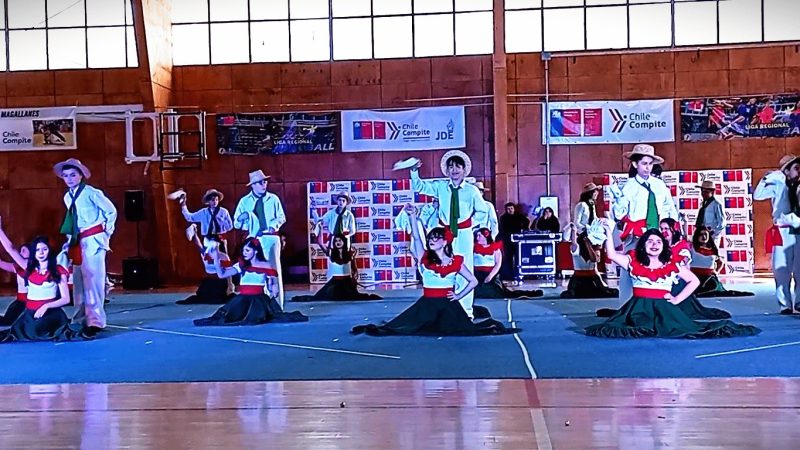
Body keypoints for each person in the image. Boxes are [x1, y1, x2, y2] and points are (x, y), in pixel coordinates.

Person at [351, 205, 519, 336]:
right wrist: (412, 217)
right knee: (396, 328)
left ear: (445, 242)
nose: (432, 241)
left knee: (465, 330)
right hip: (426, 305)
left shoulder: (455, 262)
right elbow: (416, 237)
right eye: (431, 238)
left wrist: (459, 296)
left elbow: (473, 281)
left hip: (448, 306)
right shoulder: (424, 257)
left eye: (436, 238)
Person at [585, 222, 760, 339]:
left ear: (663, 246)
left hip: (664, 307)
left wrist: (677, 299)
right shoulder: (633, 261)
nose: (654, 244)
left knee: (686, 330)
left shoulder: (671, 264)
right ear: (643, 245)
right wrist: (608, 232)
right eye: (650, 242)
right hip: (638, 307)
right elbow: (612, 255)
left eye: (658, 242)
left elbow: (694, 281)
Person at [407, 150, 490, 319]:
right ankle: (445, 308)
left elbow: (482, 211)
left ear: (464, 169)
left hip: (464, 233)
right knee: (445, 266)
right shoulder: (440, 187)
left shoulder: (471, 191)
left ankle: (466, 311)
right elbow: (420, 187)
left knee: (464, 268)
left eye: (458, 167)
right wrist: (414, 171)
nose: (454, 170)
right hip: (444, 233)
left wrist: (470, 224)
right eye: (450, 167)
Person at [54, 158, 117, 338]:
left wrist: (106, 234)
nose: (69, 179)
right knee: (79, 281)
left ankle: (95, 321)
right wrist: (68, 241)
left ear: (81, 176)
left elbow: (111, 211)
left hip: (94, 239)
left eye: (73, 175)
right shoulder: (67, 196)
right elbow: (73, 221)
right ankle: (79, 318)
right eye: (66, 176)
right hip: (77, 240)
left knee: (94, 281)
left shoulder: (91, 193)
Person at [608, 144, 679, 303]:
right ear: (635, 164)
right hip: (636, 236)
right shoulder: (628, 186)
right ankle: (626, 307)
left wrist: (672, 229)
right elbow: (619, 214)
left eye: (650, 164)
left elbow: (669, 208)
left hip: (657, 236)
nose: (648, 168)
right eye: (644, 164)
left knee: (661, 271)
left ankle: (660, 306)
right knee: (630, 271)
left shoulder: (659, 185)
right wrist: (618, 199)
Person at [0, 231, 90, 342]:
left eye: (44, 249)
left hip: (50, 313)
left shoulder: (57, 271)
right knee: (15, 334)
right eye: (37, 250)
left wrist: (46, 306)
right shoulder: (28, 268)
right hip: (30, 314)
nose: (41, 253)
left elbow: (65, 299)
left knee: (40, 330)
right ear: (34, 253)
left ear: (49, 251)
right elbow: (11, 249)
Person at [194, 238, 307, 326]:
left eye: (247, 250)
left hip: (258, 299)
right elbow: (222, 274)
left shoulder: (266, 265)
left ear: (256, 251)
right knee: (227, 317)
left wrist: (274, 288)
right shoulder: (242, 265)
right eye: (243, 250)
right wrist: (216, 260)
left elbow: (272, 283)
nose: (244, 253)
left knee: (257, 316)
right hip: (242, 298)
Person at [753, 154, 800, 314]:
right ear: (786, 171)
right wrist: (767, 178)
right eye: (796, 168)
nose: (799, 171)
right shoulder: (777, 184)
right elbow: (757, 195)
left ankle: (799, 302)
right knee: (781, 270)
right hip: (782, 230)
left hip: (799, 230)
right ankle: (785, 304)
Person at [234, 169, 287, 307]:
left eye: (264, 182)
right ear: (252, 185)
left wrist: (273, 226)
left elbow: (281, 217)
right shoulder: (244, 201)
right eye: (259, 183)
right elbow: (236, 223)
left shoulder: (273, 199)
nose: (263, 185)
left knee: (274, 270)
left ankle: (277, 305)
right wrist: (243, 218)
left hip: (271, 237)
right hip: (254, 239)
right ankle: (260, 306)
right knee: (257, 270)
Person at [292, 233, 381, 302]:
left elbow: (354, 269)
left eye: (340, 241)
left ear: (344, 242)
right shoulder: (331, 253)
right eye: (336, 241)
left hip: (347, 282)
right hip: (335, 282)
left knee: (353, 297)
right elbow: (319, 242)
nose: (338, 243)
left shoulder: (350, 253)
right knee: (322, 297)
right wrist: (320, 230)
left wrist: (354, 279)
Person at [473, 228, 542, 300]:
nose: (477, 238)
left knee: (499, 294)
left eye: (479, 235)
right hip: (477, 274)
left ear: (485, 236)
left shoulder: (495, 248)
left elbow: (498, 263)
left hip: (489, 274)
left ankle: (530, 293)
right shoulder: (474, 247)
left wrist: (490, 276)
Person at [691, 227, 754, 298]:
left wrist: (716, 272)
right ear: (697, 236)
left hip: (708, 277)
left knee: (712, 286)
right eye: (701, 234)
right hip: (695, 276)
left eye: (705, 234)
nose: (704, 237)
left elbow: (721, 262)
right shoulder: (692, 247)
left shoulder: (713, 249)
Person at [561, 223, 617, 299]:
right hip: (578, 280)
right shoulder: (576, 248)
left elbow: (594, 259)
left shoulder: (595, 249)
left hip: (592, 279)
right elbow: (574, 242)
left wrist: (588, 244)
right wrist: (574, 230)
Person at [176, 236, 235, 305]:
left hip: (220, 282)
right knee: (202, 297)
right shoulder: (204, 254)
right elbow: (198, 244)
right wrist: (195, 234)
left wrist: (230, 284)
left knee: (219, 299)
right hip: (208, 281)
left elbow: (228, 271)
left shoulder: (223, 256)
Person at [0, 240, 29, 326]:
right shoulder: (17, 267)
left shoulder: (38, 266)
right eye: (20, 251)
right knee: (7, 320)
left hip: (33, 302)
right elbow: (1, 264)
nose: (20, 253)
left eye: (23, 250)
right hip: (20, 301)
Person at [498, 202, 529, 282]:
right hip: (507, 240)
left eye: (511, 208)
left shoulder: (518, 216)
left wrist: (524, 229)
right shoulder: (503, 217)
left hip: (518, 240)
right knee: (508, 258)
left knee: (519, 256)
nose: (510, 210)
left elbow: (527, 221)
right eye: (508, 209)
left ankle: (519, 273)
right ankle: (509, 275)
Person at [695, 181, 725, 245]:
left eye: (706, 192)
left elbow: (722, 223)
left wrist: (713, 232)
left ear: (712, 192)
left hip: (712, 237)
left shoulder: (717, 204)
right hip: (701, 235)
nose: (703, 194)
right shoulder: (703, 205)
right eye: (702, 191)